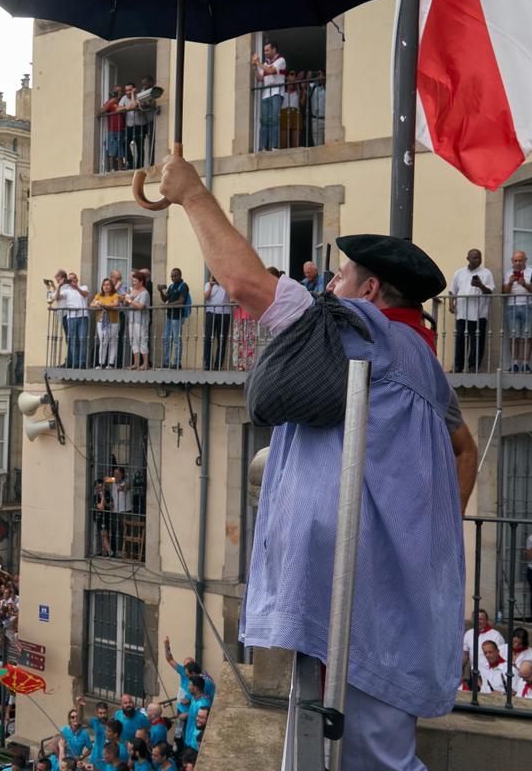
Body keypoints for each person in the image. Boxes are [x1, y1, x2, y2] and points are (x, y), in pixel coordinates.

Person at [158, 150, 479, 770]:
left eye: (339, 279)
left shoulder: (360, 329)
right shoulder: (423, 360)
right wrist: (431, 536)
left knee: (374, 757)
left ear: (370, 290)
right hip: (390, 583)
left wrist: (192, 194)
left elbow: (248, 286)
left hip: (355, 589)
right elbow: (463, 449)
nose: (329, 289)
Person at [447, 249, 495, 372]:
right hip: (462, 312)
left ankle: (473, 366)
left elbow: (489, 291)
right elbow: (452, 290)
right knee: (460, 340)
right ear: (467, 258)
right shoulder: (459, 273)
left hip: (479, 313)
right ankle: (458, 366)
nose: (477, 260)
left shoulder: (486, 273)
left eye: (479, 258)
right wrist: (451, 304)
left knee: (477, 341)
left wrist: (480, 285)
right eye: (474, 258)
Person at [501, 250, 532, 372]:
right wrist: (510, 283)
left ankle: (526, 364)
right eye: (515, 260)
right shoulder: (508, 273)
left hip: (529, 305)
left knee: (528, 337)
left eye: (520, 260)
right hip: (512, 306)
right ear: (512, 261)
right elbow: (505, 292)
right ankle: (515, 364)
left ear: (525, 260)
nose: (518, 263)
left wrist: (524, 284)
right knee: (514, 337)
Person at [251, 41, 286, 151]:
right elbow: (259, 78)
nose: (265, 52)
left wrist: (258, 64)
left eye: (267, 50)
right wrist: (256, 68)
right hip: (266, 95)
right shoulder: (265, 63)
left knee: (275, 120)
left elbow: (271, 71)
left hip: (276, 93)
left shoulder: (281, 60)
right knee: (265, 121)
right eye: (264, 50)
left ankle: (274, 146)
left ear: (274, 50)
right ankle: (264, 147)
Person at [157, 268, 191, 369]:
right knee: (167, 339)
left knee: (176, 340)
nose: (173, 278)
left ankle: (177, 362)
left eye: (175, 275)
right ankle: (166, 362)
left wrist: (168, 305)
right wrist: (160, 291)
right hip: (169, 316)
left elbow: (181, 301)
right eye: (172, 276)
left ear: (180, 275)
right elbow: (165, 299)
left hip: (178, 316)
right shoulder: (171, 286)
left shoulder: (183, 286)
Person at [461, 609, 506, 678]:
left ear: (486, 620)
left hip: (490, 674)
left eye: (481, 619)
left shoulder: (496, 635)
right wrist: (461, 668)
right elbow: (465, 654)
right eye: (475, 619)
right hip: (474, 674)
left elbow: (502, 656)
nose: (478, 621)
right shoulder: (468, 634)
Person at [91, 278, 121, 369]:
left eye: (108, 285)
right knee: (103, 341)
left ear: (111, 286)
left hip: (113, 321)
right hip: (101, 321)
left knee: (113, 342)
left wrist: (103, 305)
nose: (106, 287)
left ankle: (111, 363)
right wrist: (97, 304)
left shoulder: (115, 295)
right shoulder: (99, 295)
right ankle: (101, 362)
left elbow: (116, 304)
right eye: (104, 285)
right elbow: (91, 304)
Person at [203, 275, 231, 371]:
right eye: (213, 275)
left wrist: (224, 283)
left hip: (224, 314)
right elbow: (206, 298)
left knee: (221, 340)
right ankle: (207, 364)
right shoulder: (207, 285)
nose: (215, 277)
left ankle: (218, 365)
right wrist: (211, 286)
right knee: (208, 339)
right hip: (211, 313)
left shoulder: (226, 285)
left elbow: (232, 296)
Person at [124, 272, 151, 370]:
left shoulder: (145, 293)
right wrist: (126, 298)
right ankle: (136, 363)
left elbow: (140, 306)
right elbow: (126, 305)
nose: (133, 283)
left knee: (142, 340)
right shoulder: (133, 291)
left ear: (141, 282)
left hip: (141, 321)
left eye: (135, 281)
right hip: (132, 320)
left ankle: (145, 363)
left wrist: (130, 301)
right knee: (133, 341)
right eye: (133, 281)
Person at [101, 86, 126, 172]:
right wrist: (111, 102)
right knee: (112, 150)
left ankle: (119, 169)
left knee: (120, 150)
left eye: (121, 91)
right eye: (117, 91)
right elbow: (101, 111)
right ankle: (111, 169)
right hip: (112, 130)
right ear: (113, 92)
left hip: (121, 130)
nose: (120, 92)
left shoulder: (122, 102)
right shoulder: (110, 102)